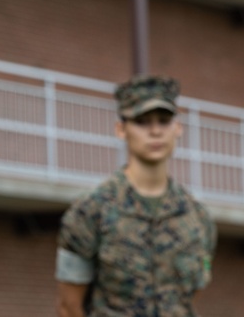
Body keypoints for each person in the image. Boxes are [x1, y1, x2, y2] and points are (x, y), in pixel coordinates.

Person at [55, 75, 216, 317]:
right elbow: (69, 307)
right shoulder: (91, 210)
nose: (155, 131)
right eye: (142, 122)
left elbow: (191, 297)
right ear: (121, 129)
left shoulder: (198, 219)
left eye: (164, 121)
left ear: (178, 128)